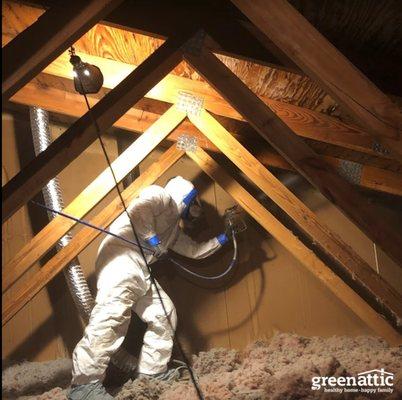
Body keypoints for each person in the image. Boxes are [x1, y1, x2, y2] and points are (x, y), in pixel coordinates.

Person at [68, 176, 229, 400]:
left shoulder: (172, 230)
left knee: (165, 313)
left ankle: (152, 372)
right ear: (189, 198)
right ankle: (84, 386)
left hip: (139, 270)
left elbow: (194, 250)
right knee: (111, 317)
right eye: (195, 206)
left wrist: (223, 238)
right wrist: (153, 242)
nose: (196, 213)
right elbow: (139, 212)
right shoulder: (159, 195)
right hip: (119, 260)